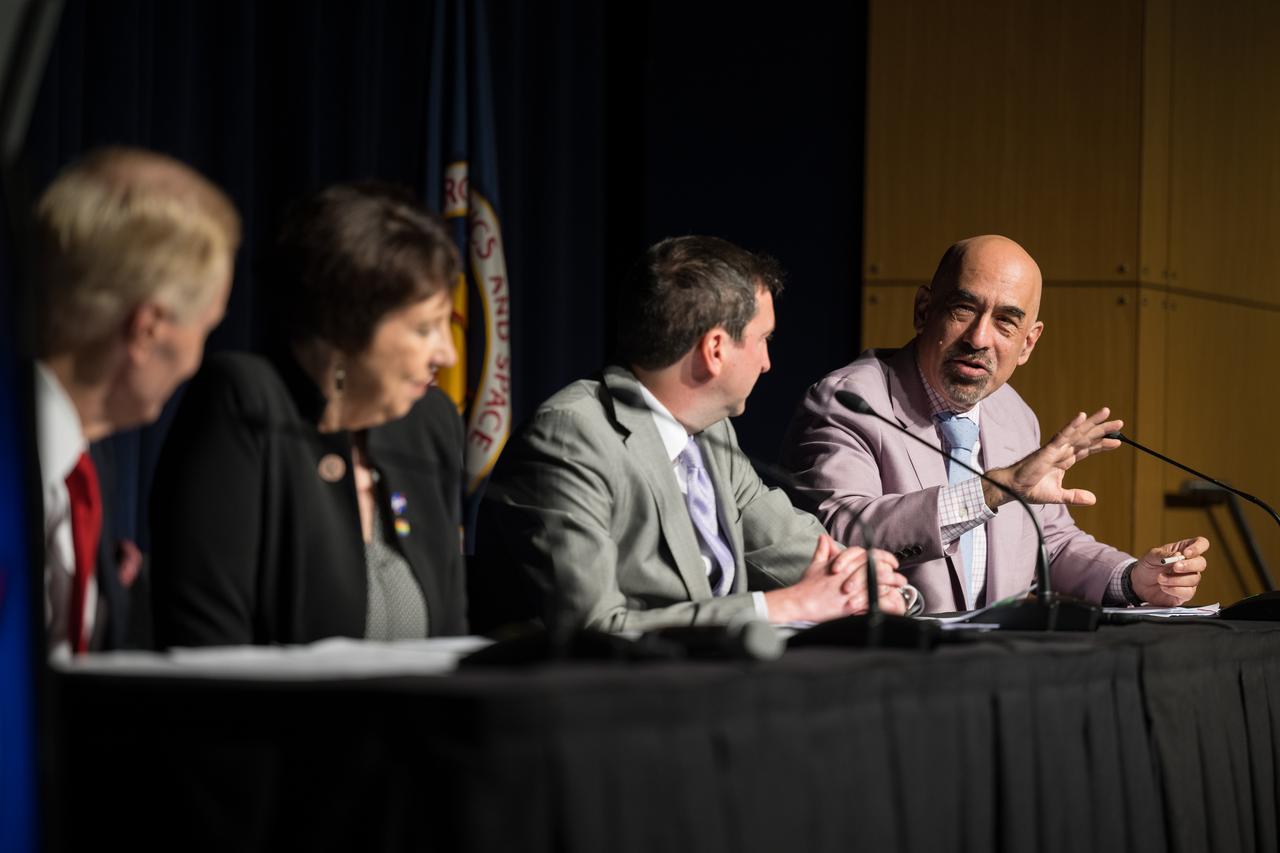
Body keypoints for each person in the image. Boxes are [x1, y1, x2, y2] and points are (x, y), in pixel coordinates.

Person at [477, 235, 910, 634]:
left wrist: (872, 587)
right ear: (716, 349)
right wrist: (781, 607)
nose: (766, 363)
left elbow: (786, 541)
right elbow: (592, 626)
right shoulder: (572, 437)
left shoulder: (711, 432)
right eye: (764, 339)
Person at [783, 234, 1209, 613]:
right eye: (963, 309)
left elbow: (1048, 543)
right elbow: (836, 534)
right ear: (923, 310)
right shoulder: (850, 401)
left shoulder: (1013, 414)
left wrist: (1134, 579)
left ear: (1028, 343)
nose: (980, 338)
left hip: (990, 666)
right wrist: (994, 489)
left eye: (1005, 321)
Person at [149, 182, 466, 646]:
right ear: (345, 326)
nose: (448, 355)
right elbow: (207, 650)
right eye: (424, 329)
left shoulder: (428, 422)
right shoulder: (245, 403)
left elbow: (451, 641)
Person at [33, 146, 240, 656]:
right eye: (205, 328)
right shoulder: (19, 465)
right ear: (147, 331)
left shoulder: (85, 466)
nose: (196, 360)